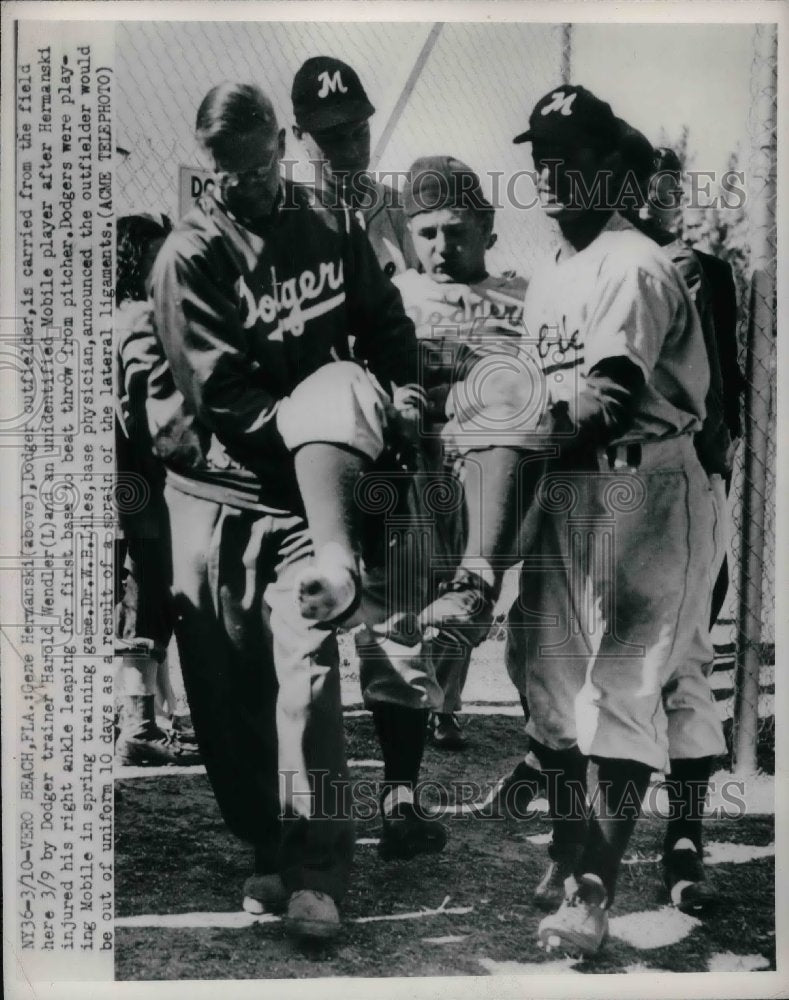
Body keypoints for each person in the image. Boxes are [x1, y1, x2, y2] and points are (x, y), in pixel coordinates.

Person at [149, 82, 445, 944]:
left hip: (302, 500)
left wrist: (399, 392)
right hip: (215, 490)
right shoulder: (189, 256)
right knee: (226, 688)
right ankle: (268, 846)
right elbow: (225, 399)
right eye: (227, 171)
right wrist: (325, 411)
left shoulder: (329, 223)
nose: (246, 182)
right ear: (210, 165)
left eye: (259, 163)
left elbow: (386, 324)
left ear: (281, 141)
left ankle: (319, 869)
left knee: (307, 677)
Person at [504, 84, 726, 956]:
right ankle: (569, 849)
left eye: (576, 156)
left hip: (642, 483)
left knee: (623, 687)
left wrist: (491, 426)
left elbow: (600, 402)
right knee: (546, 678)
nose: (555, 173)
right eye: (543, 157)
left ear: (611, 167)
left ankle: (593, 893)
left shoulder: (634, 263)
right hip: (571, 484)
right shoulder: (553, 269)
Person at [391, 155, 529, 749]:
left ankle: (445, 703)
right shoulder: (401, 292)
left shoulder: (520, 296)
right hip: (417, 457)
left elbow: (528, 376)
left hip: (492, 457)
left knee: (465, 581)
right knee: (415, 584)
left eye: (456, 231)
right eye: (426, 233)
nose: (441, 247)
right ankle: (410, 700)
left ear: (488, 230)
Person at [114, 213, 201, 766]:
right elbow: (141, 414)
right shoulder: (143, 319)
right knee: (145, 595)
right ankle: (140, 726)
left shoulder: (116, 316)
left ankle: (146, 718)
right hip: (139, 479)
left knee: (137, 595)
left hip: (119, 481)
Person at [291, 56, 417, 278]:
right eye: (333, 139)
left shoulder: (403, 214)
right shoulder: (293, 224)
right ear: (300, 137)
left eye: (360, 133)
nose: (351, 152)